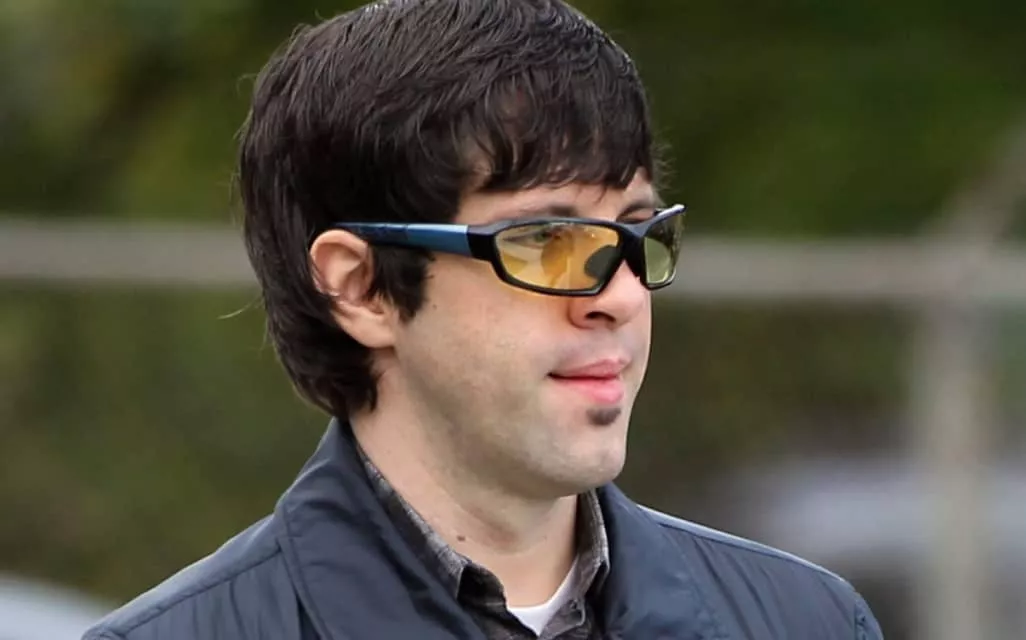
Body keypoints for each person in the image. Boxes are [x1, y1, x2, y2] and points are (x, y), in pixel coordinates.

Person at [84, 1, 883, 638]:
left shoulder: (806, 622)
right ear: (361, 288)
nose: (619, 295)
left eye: (637, 234)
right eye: (548, 241)